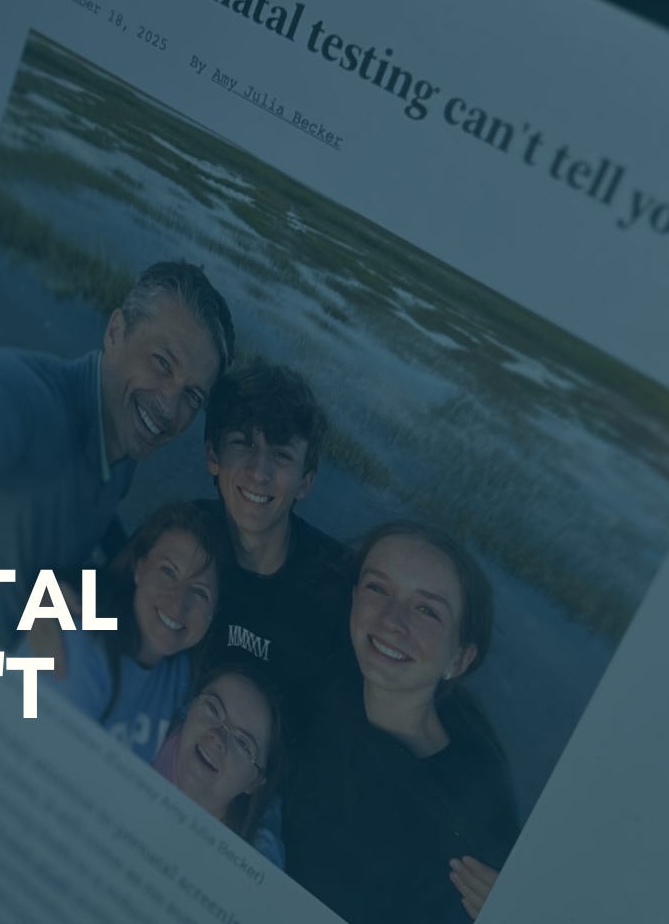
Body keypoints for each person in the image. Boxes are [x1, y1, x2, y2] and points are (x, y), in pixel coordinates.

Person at [0, 260, 235, 636]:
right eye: (162, 363)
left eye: (192, 396)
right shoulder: (21, 396)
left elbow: (92, 508)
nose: (169, 408)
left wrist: (134, 559)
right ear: (115, 332)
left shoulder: (124, 438)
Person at [285, 522, 519, 924]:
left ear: (459, 660)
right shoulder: (325, 678)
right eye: (378, 588)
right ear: (355, 598)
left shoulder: (471, 817)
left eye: (427, 610)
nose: (393, 620)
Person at [196, 362, 353, 713]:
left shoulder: (339, 586)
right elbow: (107, 608)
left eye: (281, 455)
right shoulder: (183, 538)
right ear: (213, 456)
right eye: (243, 443)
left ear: (305, 482)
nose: (259, 472)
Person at [28, 503, 222, 763]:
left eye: (199, 592)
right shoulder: (78, 643)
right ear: (139, 569)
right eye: (168, 572)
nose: (178, 603)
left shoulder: (181, 679)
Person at [152, 666, 284, 847]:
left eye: (243, 744)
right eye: (213, 708)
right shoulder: (145, 732)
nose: (218, 738)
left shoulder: (256, 853)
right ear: (190, 706)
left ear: (254, 782)